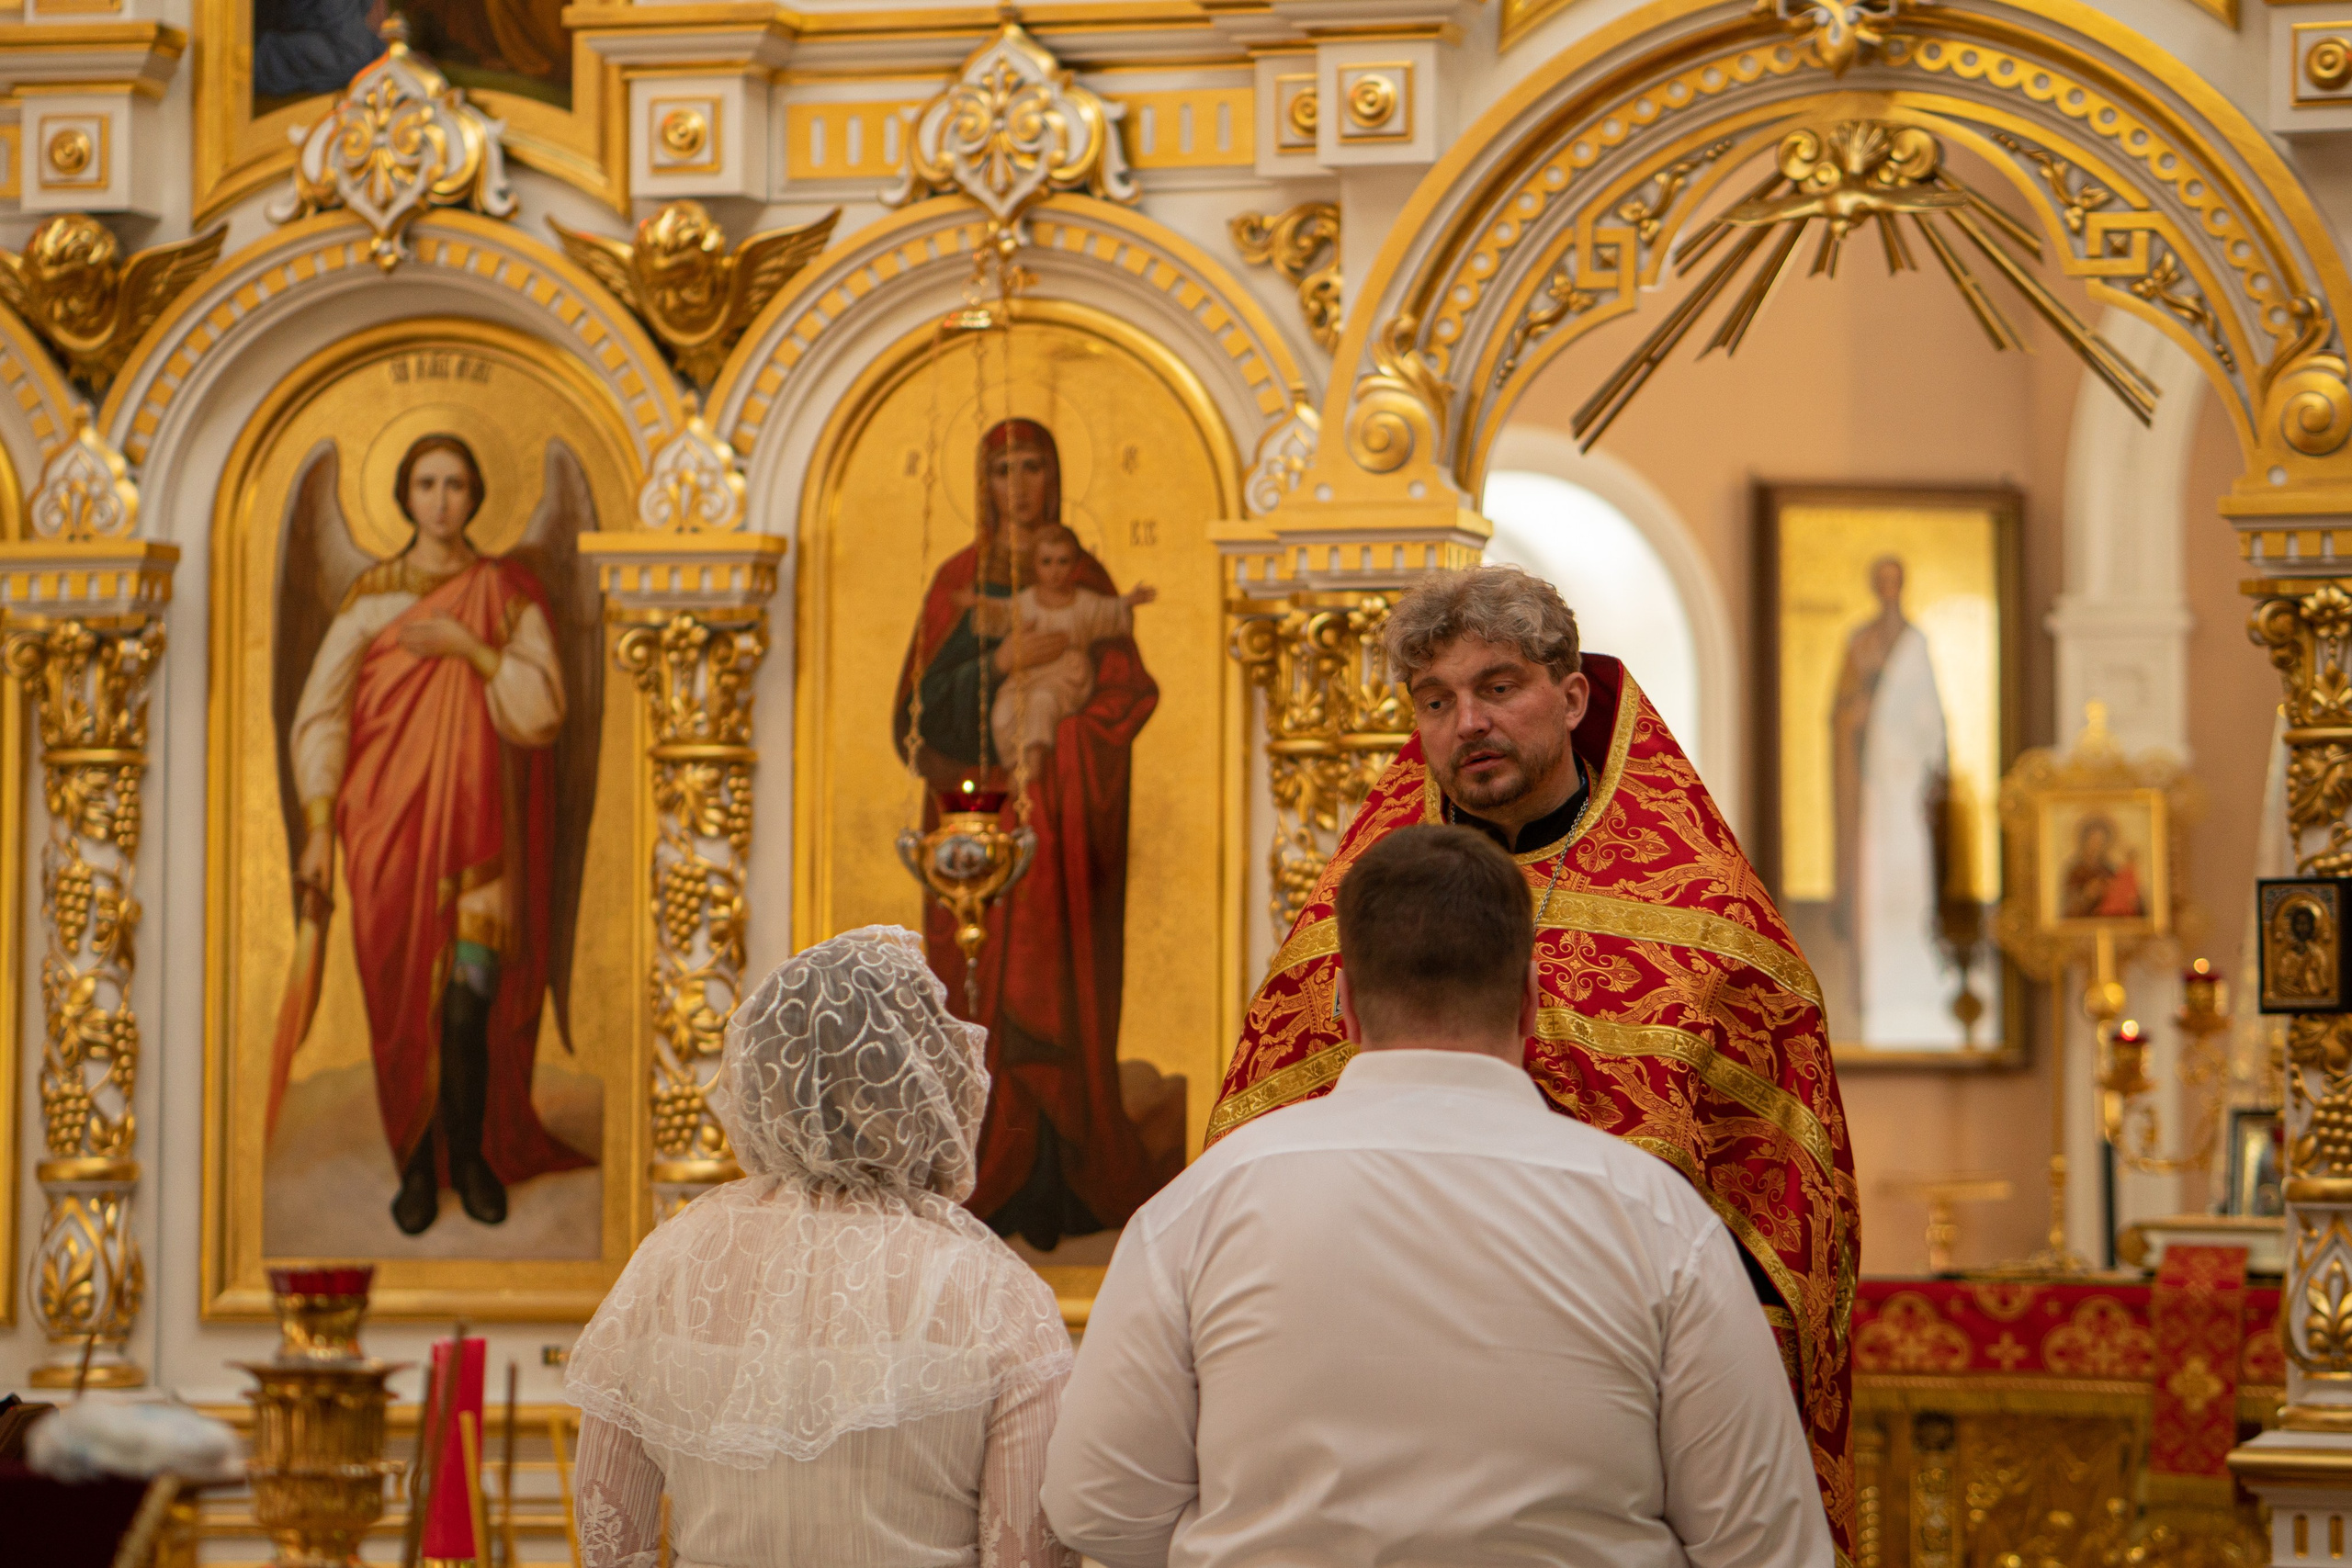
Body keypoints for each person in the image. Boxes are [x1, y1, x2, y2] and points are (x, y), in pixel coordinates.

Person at [1209, 566, 1859, 1559]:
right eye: (1435, 702)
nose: (1467, 721)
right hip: (1368, 1367)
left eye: (1498, 686)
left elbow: (1780, 1211)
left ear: (1572, 694)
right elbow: (1256, 1155)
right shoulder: (1354, 916)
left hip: (1603, 1386)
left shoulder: (1707, 921)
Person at [1043, 826, 1831, 1567]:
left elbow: (1095, 1505)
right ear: (1530, 999)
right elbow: (1766, 1544)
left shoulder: (1195, 1208)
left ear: (1344, 1001)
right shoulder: (1658, 1218)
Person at [565, 927, 1077, 1568]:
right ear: (926, 1087)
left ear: (763, 1081)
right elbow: (1030, 1555)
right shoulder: (994, 1292)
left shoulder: (668, 1263)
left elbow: (610, 1539)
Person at [284, 433, 590, 1235]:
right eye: (428, 483)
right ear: (406, 496)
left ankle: (472, 1155)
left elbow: (544, 706)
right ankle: (416, 1169)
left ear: (476, 494)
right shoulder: (370, 598)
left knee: (466, 1003)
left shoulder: (505, 591)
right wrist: (318, 827)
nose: (443, 498)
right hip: (384, 829)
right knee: (401, 1010)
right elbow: (320, 715)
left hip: (482, 832)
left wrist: (474, 651)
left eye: (457, 482)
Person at [893, 418, 1175, 1251]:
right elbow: (914, 716)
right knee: (978, 990)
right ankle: (978, 1167)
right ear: (984, 482)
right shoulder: (959, 580)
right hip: (973, 828)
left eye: (1034, 469)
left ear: (1053, 479)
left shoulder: (1084, 576)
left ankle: (1063, 1172)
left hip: (1066, 818)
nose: (1019, 485)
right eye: (1004, 470)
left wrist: (1076, 735)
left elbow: (1128, 689)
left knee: (1061, 985)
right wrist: (1001, 663)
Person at [1830, 555, 1957, 1043]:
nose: (1888, 589)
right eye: (1880, 581)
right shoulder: (1858, 644)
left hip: (1907, 785)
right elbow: (1840, 716)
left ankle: (1916, 979)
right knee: (1873, 876)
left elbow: (1932, 719)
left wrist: (1913, 734)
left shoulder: (1916, 645)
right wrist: (1857, 717)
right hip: (1871, 788)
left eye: (1894, 581)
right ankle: (1871, 978)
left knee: (1912, 875)